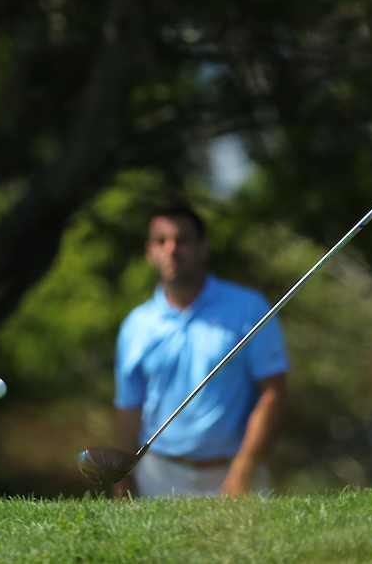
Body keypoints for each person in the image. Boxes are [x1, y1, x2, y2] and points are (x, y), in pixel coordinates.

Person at [110, 199, 290, 498]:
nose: (171, 249)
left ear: (203, 247)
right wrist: (122, 478)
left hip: (235, 471)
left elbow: (275, 392)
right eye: (161, 241)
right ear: (149, 251)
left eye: (182, 240)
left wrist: (244, 466)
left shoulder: (249, 307)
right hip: (158, 474)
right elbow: (129, 407)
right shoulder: (136, 324)